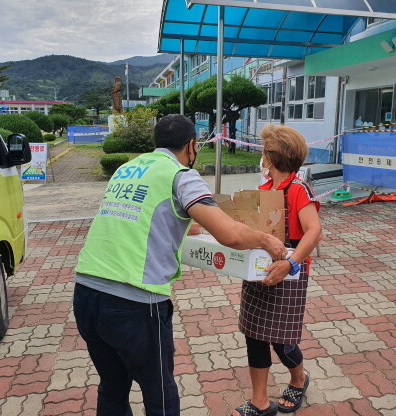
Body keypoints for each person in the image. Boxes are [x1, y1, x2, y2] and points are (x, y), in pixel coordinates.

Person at [73, 114, 286, 416]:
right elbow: (229, 234)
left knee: (112, 385)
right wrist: (266, 240)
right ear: (191, 146)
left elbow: (158, 217)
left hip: (85, 292)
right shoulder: (180, 175)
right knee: (158, 391)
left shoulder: (127, 168)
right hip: (133, 301)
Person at [233, 124, 322, 416]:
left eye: (264, 152)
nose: (262, 158)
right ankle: (259, 401)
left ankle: (299, 378)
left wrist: (291, 262)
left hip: (289, 273)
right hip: (258, 272)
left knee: (282, 340)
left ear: (272, 157)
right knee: (254, 335)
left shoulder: (298, 189)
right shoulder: (262, 190)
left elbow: (314, 231)